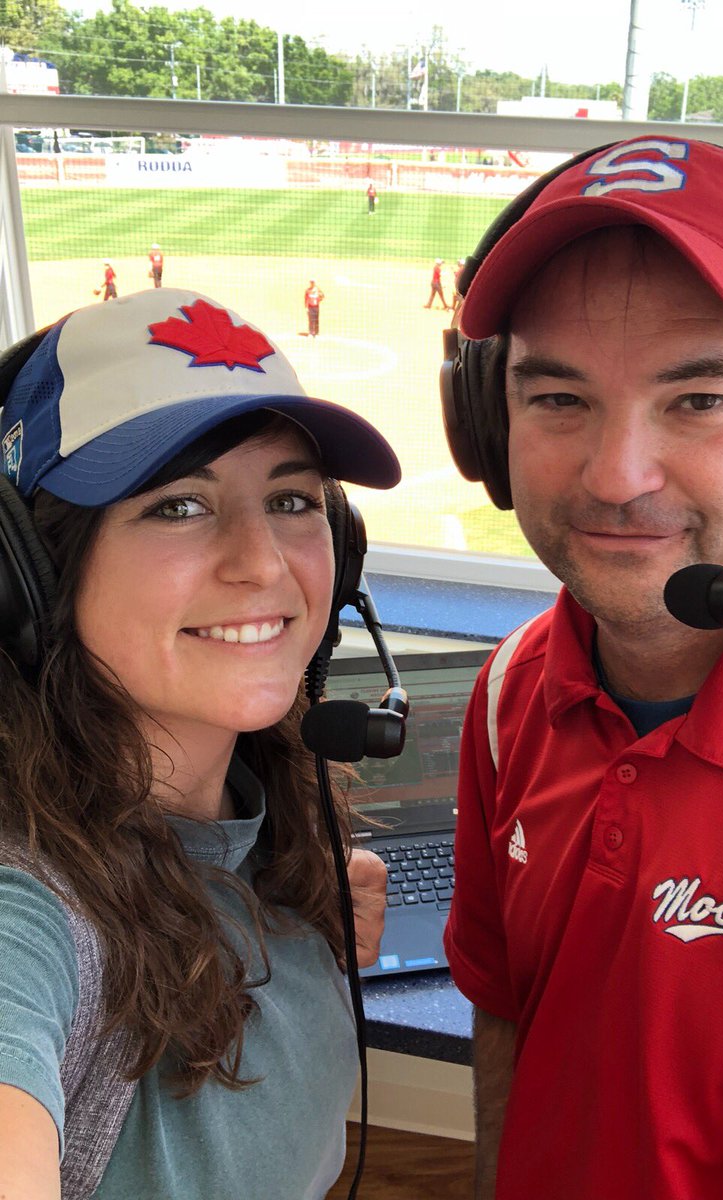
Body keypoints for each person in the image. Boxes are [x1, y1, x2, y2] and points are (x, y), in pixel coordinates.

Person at [442, 137, 723, 1199]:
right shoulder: (509, 695)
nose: (616, 477)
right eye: (557, 399)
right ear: (484, 422)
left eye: (698, 399)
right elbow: (506, 1012)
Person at [0, 286, 402, 1198]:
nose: (262, 561)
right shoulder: (25, 913)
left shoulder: (270, 840)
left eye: (293, 498)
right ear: (29, 576)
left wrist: (291, 919)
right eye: (179, 506)